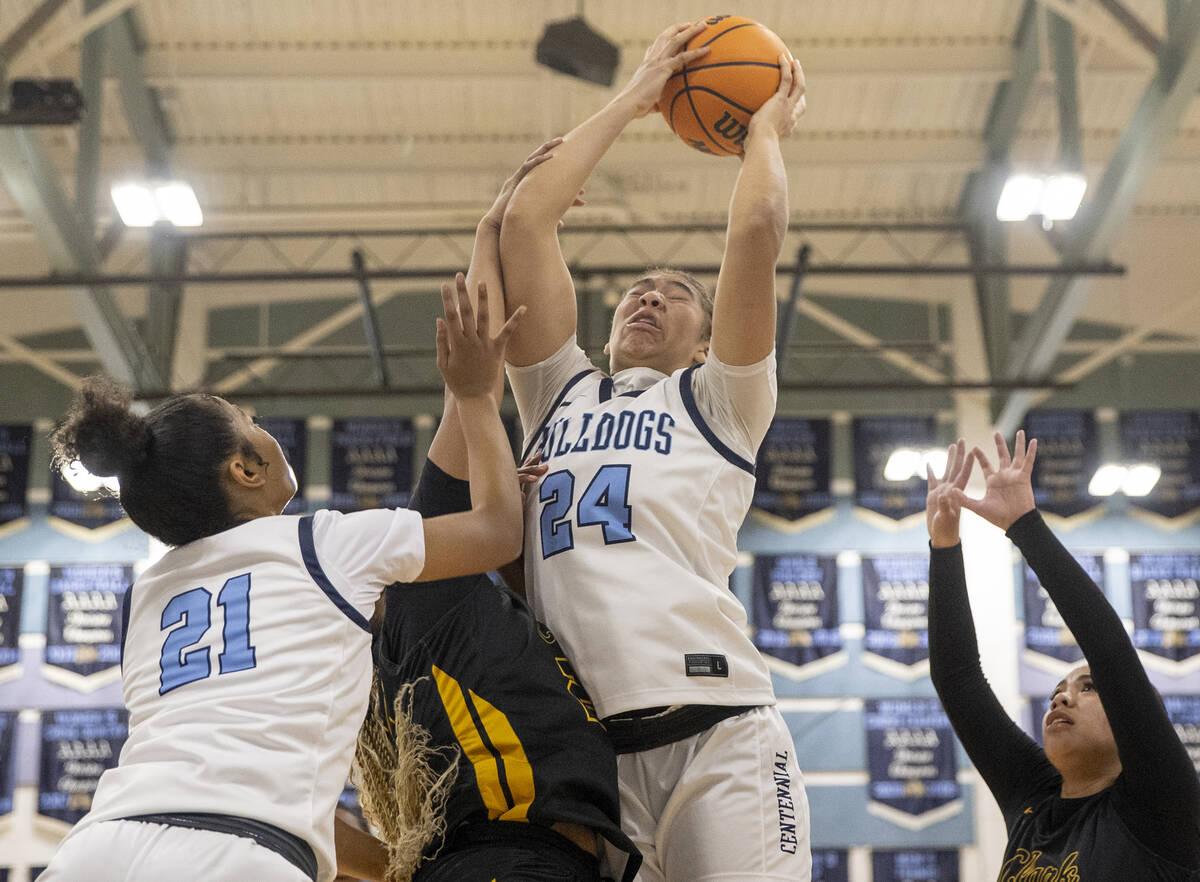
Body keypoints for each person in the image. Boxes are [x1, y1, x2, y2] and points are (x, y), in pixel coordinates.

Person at [40, 276, 525, 882]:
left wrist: (407, 870)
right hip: (240, 855)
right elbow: (499, 532)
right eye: (248, 419)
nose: (262, 425)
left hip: (98, 848)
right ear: (245, 468)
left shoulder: (149, 594)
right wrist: (477, 396)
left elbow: (272, 801)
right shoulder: (319, 542)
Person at [498, 20, 811, 881]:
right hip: (589, 755)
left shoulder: (719, 398)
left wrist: (765, 134)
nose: (649, 297)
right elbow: (526, 221)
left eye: (675, 296)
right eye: (637, 291)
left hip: (720, 730)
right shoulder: (555, 393)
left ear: (706, 344)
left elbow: (755, 235)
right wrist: (637, 97)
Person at [351, 141, 640, 882]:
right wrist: (488, 233)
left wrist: (492, 233)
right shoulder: (423, 597)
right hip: (509, 861)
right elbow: (475, 375)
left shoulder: (469, 621)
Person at [926, 432, 1200, 878]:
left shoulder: (1161, 806)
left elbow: (1110, 651)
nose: (1062, 698)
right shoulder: (1032, 799)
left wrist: (1025, 525)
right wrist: (944, 544)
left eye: (1088, 687)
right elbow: (958, 681)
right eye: (1059, 690)